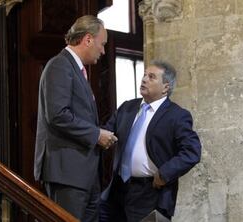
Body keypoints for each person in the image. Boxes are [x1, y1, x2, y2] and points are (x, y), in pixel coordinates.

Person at [33, 15, 117, 222]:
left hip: (83, 172)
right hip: (67, 172)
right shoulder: (59, 65)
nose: (103, 50)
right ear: (88, 39)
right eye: (102, 44)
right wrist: (96, 134)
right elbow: (57, 115)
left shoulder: (77, 69)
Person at [101, 60, 202, 221]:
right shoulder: (127, 108)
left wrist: (164, 173)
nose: (144, 79)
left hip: (150, 193)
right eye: (144, 74)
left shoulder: (177, 115)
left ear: (166, 87)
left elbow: (192, 152)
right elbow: (105, 134)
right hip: (116, 191)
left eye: (152, 77)